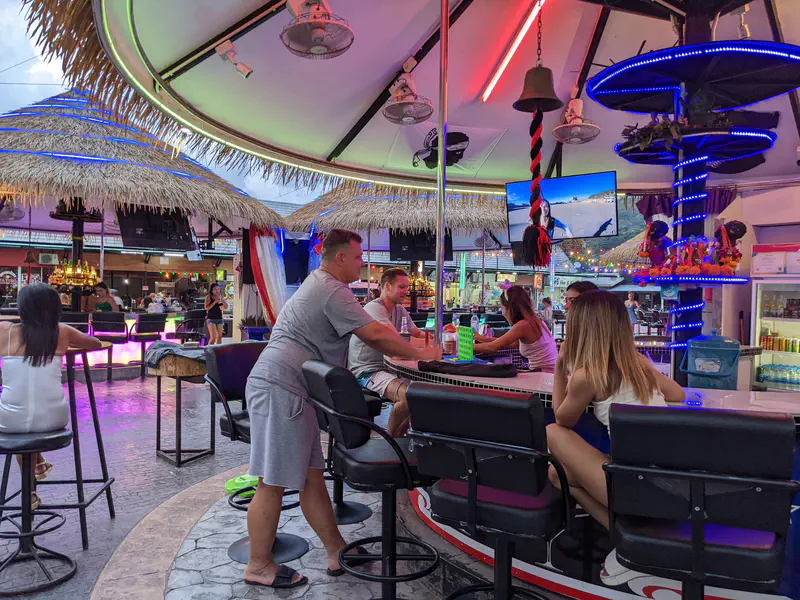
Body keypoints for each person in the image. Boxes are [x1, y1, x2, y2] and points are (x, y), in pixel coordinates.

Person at [244, 229, 441, 589]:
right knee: (271, 481)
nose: (363, 262)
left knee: (310, 478)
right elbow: (376, 334)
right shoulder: (332, 288)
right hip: (280, 387)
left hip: (290, 388)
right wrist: (425, 355)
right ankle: (258, 565)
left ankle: (336, 551)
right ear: (340, 259)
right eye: (358, 256)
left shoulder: (324, 284)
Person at [545, 291, 685, 585]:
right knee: (556, 474)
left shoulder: (588, 375)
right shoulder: (637, 363)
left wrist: (560, 366)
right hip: (672, 485)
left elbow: (561, 419)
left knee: (551, 433)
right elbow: (677, 394)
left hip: (635, 487)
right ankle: (628, 536)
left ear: (581, 328)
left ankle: (630, 540)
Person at [0, 283, 103, 509]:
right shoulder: (61, 332)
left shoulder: (4, 331)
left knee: (21, 418)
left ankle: (30, 490)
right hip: (53, 418)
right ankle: (35, 473)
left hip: (8, 420)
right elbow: (95, 343)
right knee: (33, 412)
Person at [348, 267, 427, 437]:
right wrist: (426, 353)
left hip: (390, 369)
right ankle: (391, 443)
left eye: (407, 287)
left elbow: (418, 334)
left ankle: (401, 440)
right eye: (401, 287)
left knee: (423, 395)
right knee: (408, 397)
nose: (406, 291)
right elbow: (394, 341)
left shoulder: (400, 310)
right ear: (387, 286)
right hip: (367, 371)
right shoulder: (373, 308)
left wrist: (439, 335)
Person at [473, 286, 558, 372]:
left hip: (544, 376)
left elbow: (492, 348)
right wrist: (482, 338)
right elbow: (510, 344)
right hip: (550, 374)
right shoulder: (535, 320)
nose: (502, 313)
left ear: (510, 309)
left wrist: (462, 347)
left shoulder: (524, 325)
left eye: (502, 308)